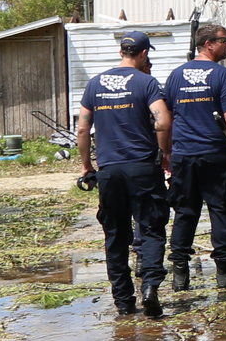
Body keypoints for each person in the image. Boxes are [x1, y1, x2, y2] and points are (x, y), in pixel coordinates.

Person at [74, 30, 172, 317]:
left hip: (109, 171)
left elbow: (82, 128)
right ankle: (150, 286)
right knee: (152, 228)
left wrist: (86, 166)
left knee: (115, 235)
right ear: (144, 54)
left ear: (121, 52)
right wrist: (164, 154)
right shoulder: (147, 82)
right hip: (143, 168)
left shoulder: (94, 85)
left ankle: (123, 301)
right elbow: (163, 121)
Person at [165, 24, 226, 289]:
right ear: (207, 44)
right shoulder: (222, 75)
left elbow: (165, 118)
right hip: (215, 154)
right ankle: (224, 274)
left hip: (184, 156)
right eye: (224, 41)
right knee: (221, 211)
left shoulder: (175, 76)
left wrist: (167, 152)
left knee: (185, 212)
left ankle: (180, 275)